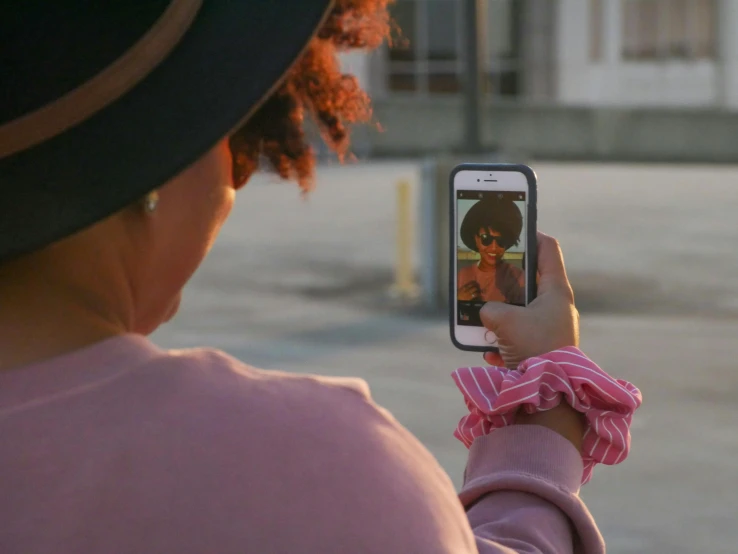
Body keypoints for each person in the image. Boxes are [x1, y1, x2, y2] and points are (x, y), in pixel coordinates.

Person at [0, 2, 637, 553]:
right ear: (155, 172)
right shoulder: (312, 466)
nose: (235, 180)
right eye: (235, 139)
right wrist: (546, 414)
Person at [457, 196, 526, 304]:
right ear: (475, 238)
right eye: (486, 238)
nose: (494, 247)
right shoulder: (462, 275)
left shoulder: (518, 278)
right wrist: (458, 302)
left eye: (501, 240)